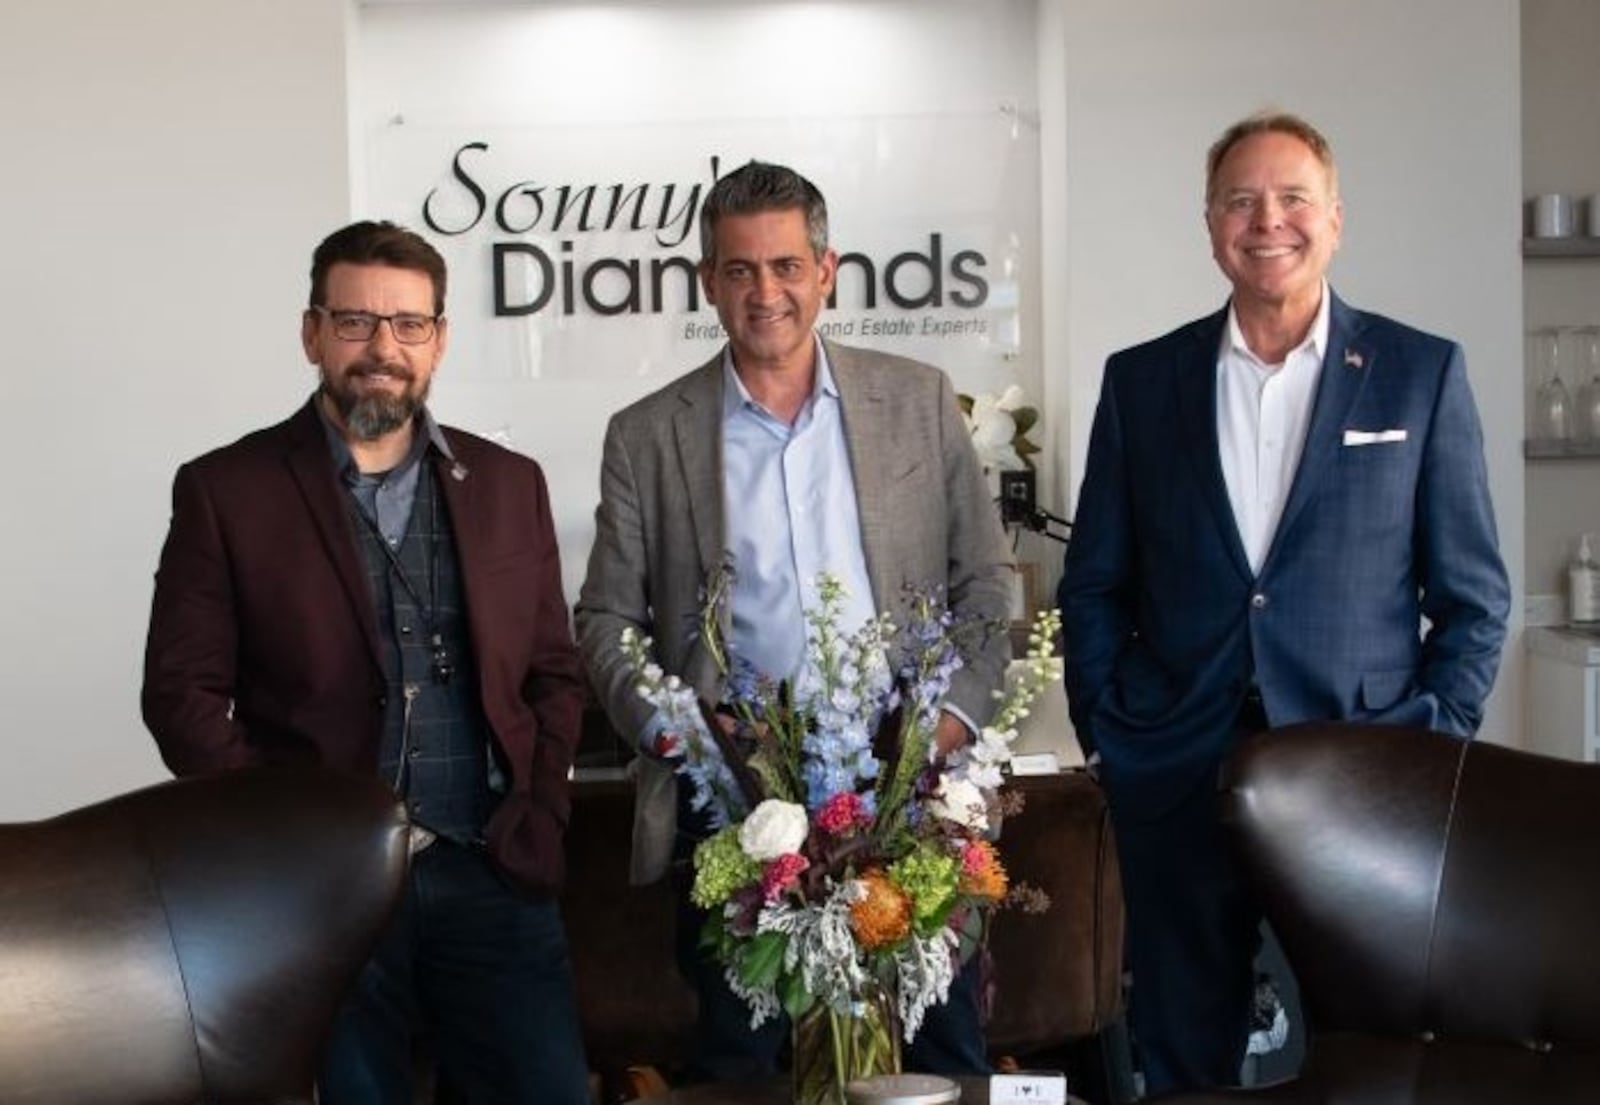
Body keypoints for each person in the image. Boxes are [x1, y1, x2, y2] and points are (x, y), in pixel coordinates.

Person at [1058, 111, 1510, 1096]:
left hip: (1361, 778)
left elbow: (1473, 597)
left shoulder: (1418, 372)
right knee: (1181, 1049)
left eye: (1293, 197)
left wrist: (1425, 746)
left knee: (1365, 1048)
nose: (1268, 220)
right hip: (1175, 769)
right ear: (1210, 223)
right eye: (1241, 200)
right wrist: (1108, 729)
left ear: (1335, 219)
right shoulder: (1142, 382)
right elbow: (1094, 581)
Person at [574, 160, 1014, 1080]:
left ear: (827, 270)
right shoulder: (648, 433)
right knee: (743, 1062)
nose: (763, 290)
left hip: (906, 789)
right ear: (707, 283)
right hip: (739, 809)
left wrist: (943, 726)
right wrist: (680, 736)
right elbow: (608, 618)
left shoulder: (919, 399)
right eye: (738, 270)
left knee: (935, 1052)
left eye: (784, 266)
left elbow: (985, 582)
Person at [141, 220, 590, 1105]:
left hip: (493, 867)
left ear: (440, 340)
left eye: (408, 324)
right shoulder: (226, 490)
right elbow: (180, 694)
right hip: (320, 897)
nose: (382, 348)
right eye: (354, 322)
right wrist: (280, 830)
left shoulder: (510, 483)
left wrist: (539, 805)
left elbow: (553, 672)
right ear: (312, 332)